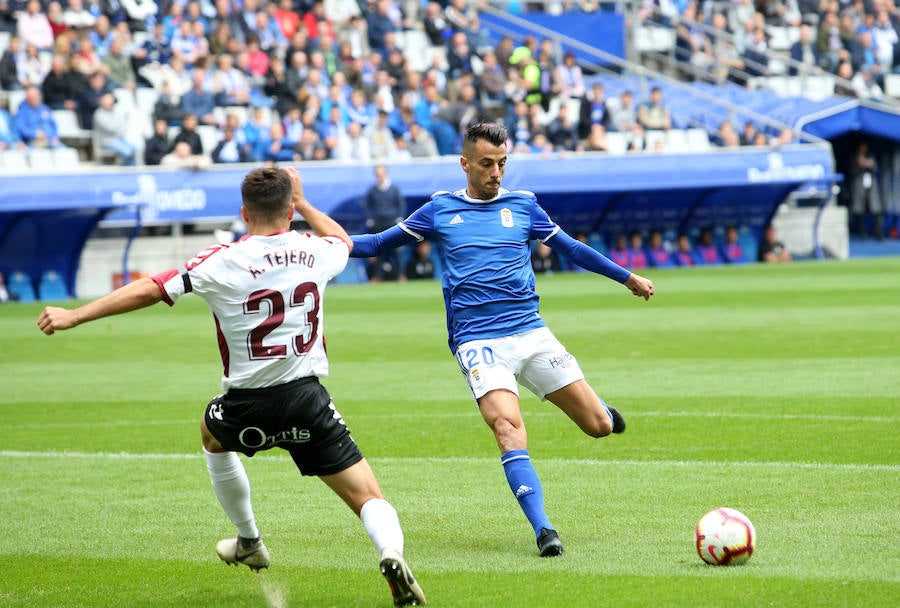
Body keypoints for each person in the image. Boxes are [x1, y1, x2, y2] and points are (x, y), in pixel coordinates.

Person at [36, 166, 427, 608]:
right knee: (367, 496)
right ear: (289, 210)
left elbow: (152, 289)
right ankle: (390, 552)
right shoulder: (314, 250)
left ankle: (250, 540)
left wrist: (74, 315)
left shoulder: (221, 259)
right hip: (307, 400)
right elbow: (343, 240)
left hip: (247, 407)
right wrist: (305, 203)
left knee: (211, 432)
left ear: (244, 213)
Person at [350, 122, 654, 557]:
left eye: (502, 163)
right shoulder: (439, 209)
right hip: (478, 341)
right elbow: (377, 243)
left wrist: (627, 278)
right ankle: (544, 530)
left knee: (599, 427)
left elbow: (572, 248)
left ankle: (601, 409)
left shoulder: (523, 205)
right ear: (465, 164)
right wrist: (318, 242)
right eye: (487, 164)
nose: (496, 172)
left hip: (531, 332)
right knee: (508, 428)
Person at [364, 164, 406, 281]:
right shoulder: (372, 190)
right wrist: (370, 219)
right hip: (378, 224)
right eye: (377, 174)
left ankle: (400, 275)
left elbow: (400, 204)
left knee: (396, 250)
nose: (379, 176)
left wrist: (399, 218)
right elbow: (367, 206)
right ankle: (378, 276)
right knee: (379, 251)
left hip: (392, 223)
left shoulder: (394, 189)